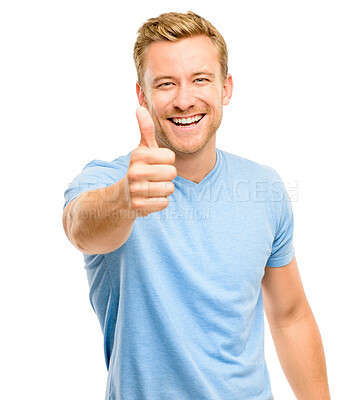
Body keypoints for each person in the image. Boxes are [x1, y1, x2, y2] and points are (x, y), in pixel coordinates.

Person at [63, 11, 331, 400]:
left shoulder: (265, 188)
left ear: (226, 88)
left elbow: (291, 316)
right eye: (166, 84)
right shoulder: (109, 180)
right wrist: (126, 198)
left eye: (201, 80)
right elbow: (79, 227)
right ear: (143, 95)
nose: (185, 100)